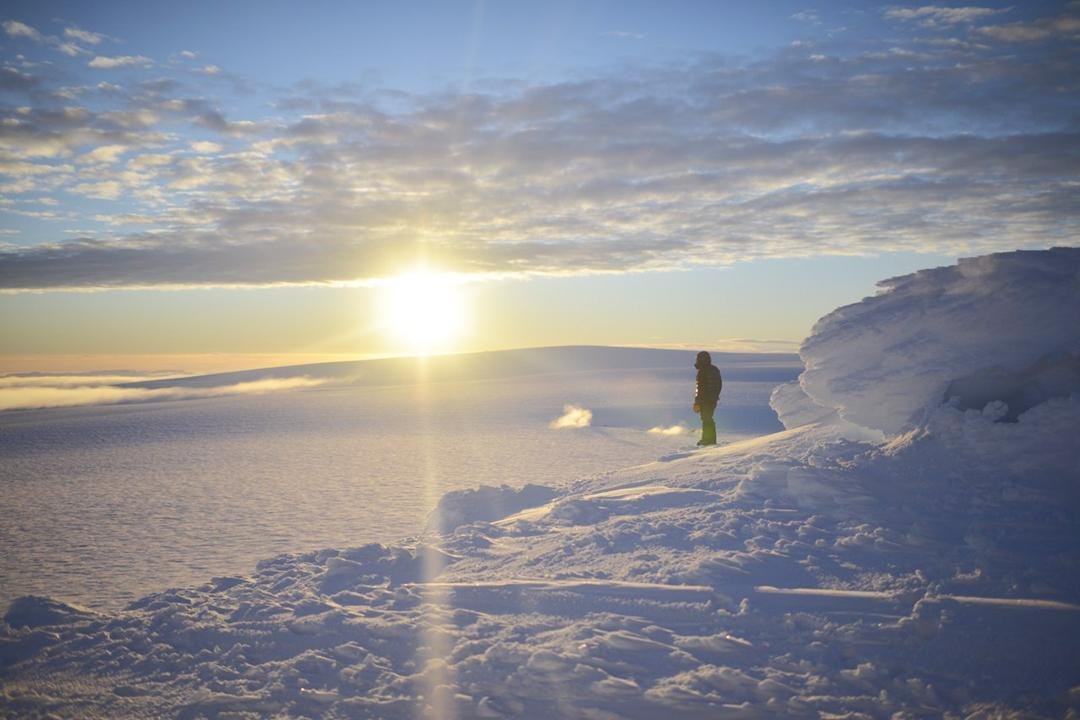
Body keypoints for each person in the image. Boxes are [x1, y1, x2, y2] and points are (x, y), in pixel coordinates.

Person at [692, 350, 722, 446]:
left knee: (707, 418)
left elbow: (715, 385)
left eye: (700, 359)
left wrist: (711, 398)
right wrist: (697, 401)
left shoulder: (711, 370)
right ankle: (706, 439)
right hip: (703, 400)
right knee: (705, 418)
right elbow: (699, 388)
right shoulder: (702, 371)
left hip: (708, 400)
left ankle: (709, 440)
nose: (698, 360)